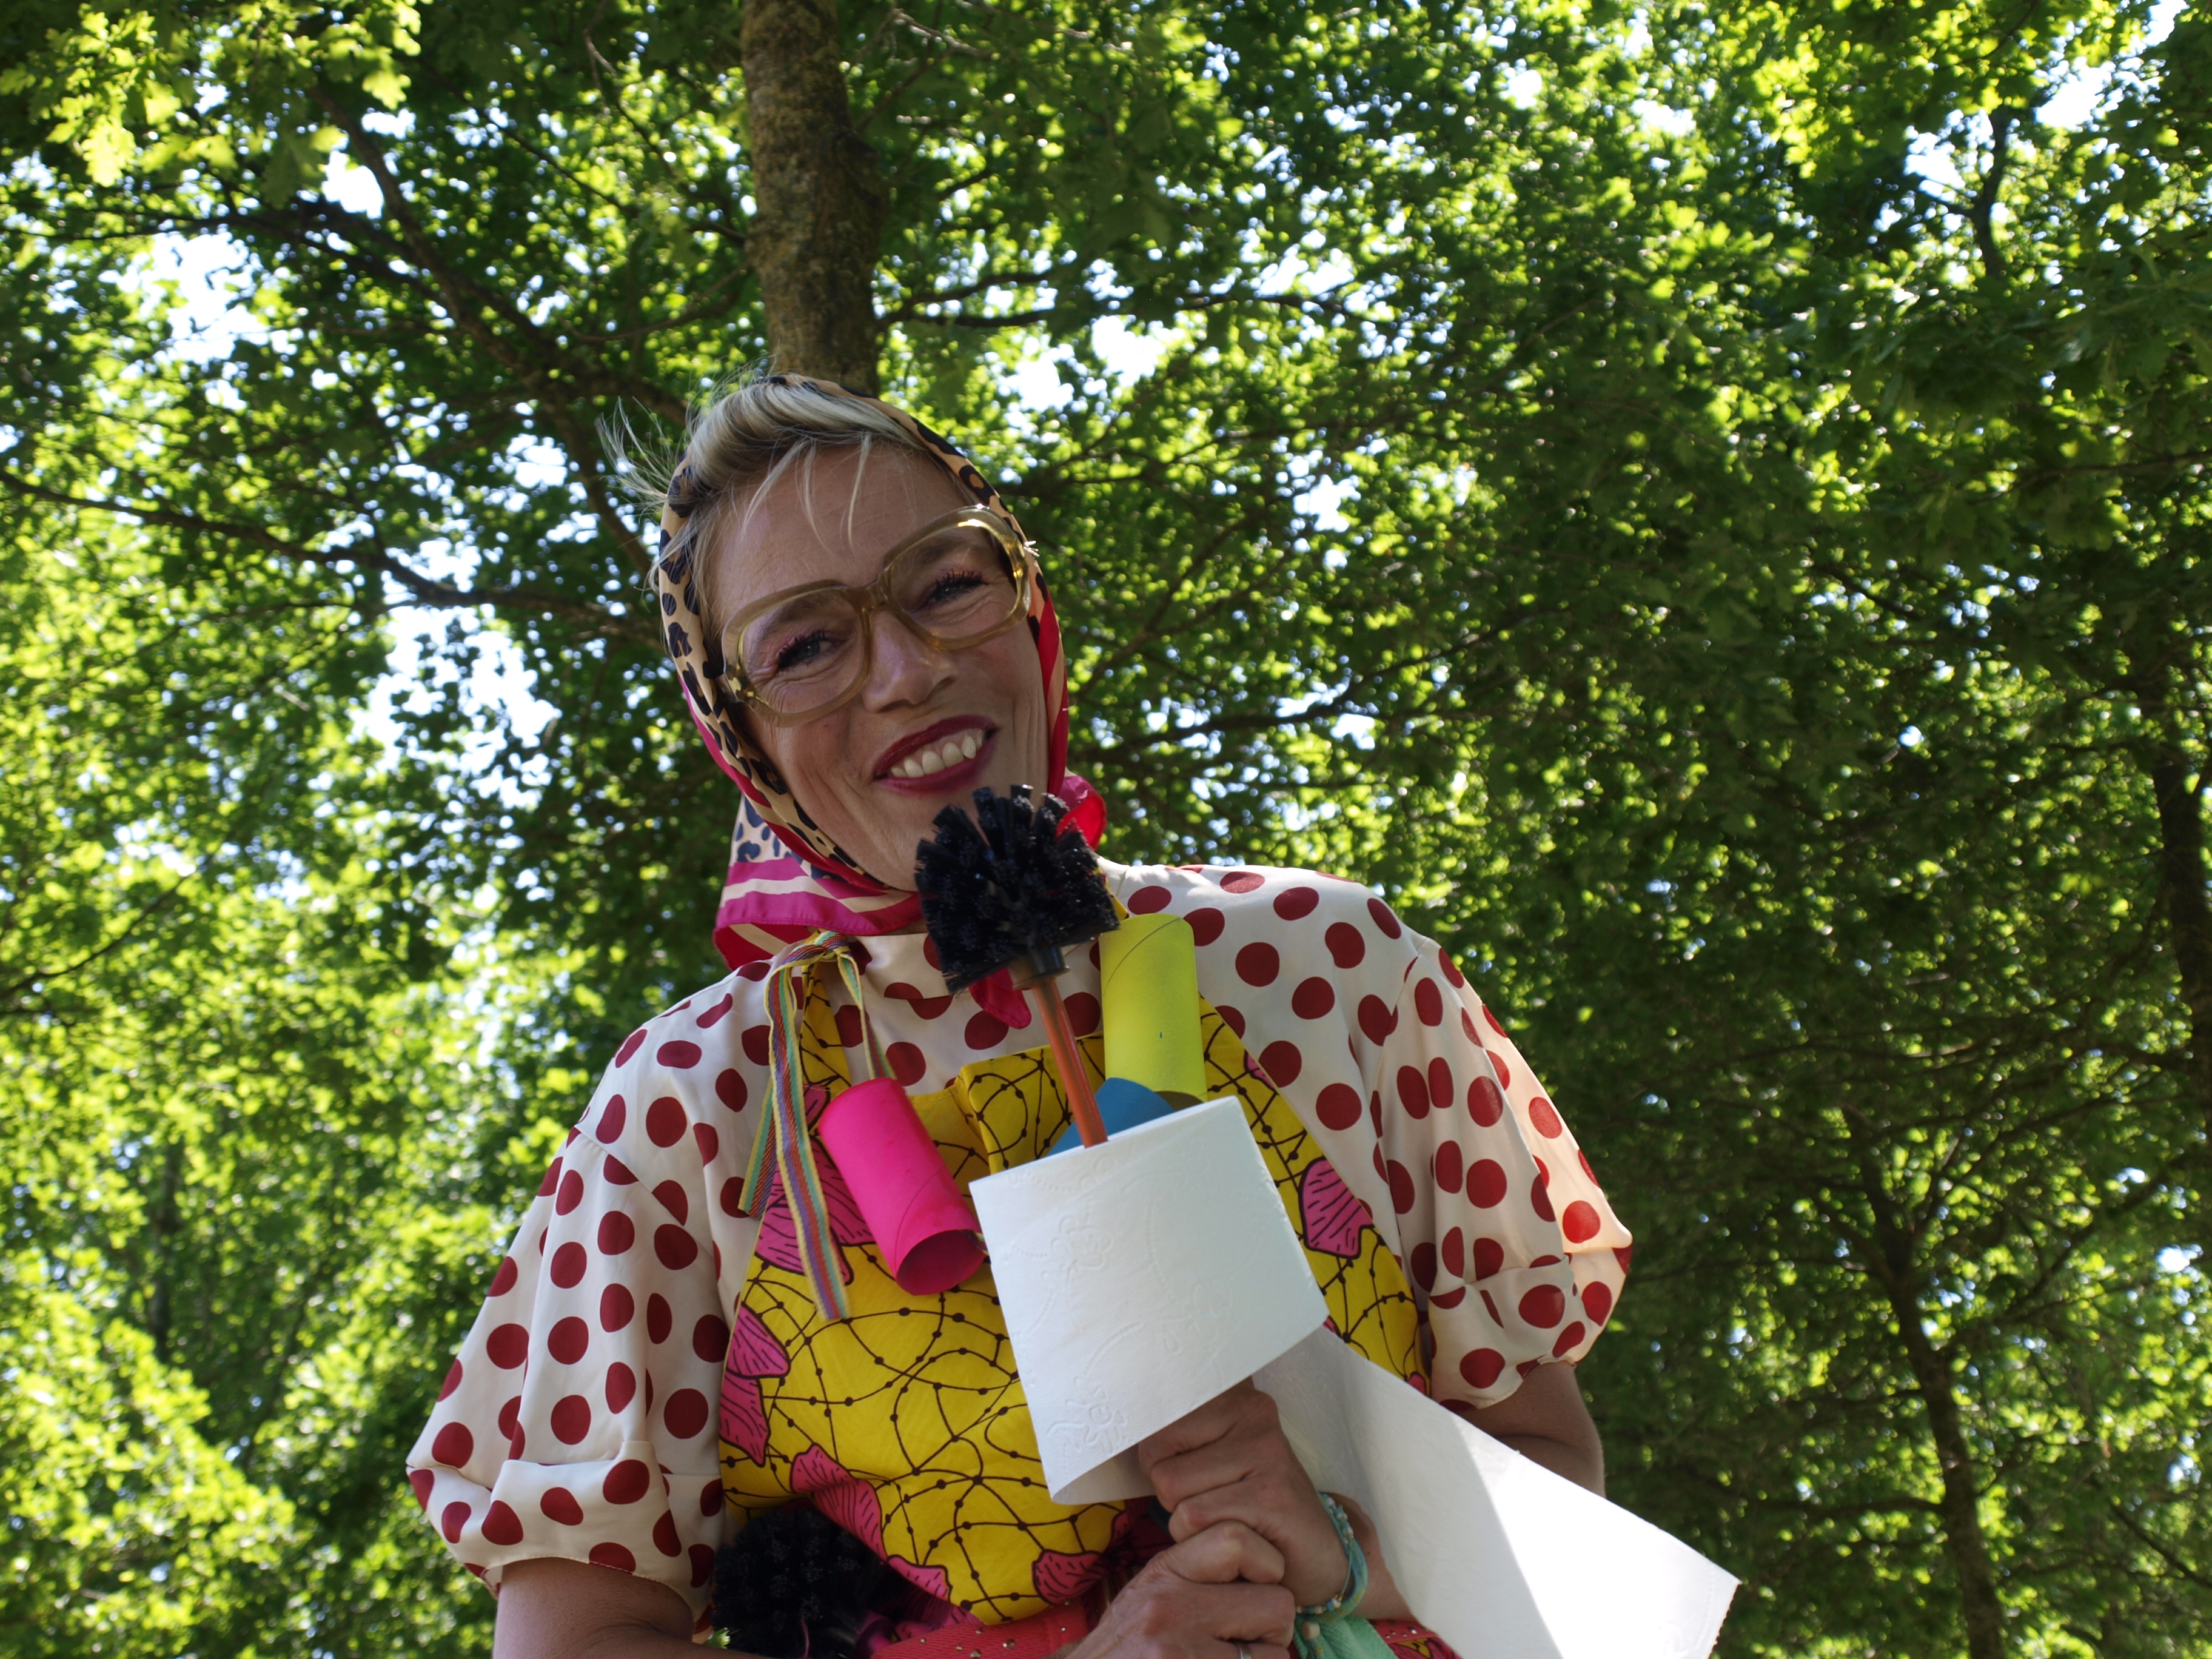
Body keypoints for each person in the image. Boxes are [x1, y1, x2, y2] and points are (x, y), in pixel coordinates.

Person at [409, 376, 1632, 1658]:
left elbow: (1564, 1516)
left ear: (1028, 597)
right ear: (739, 732)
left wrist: (1340, 1549)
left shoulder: (1326, 966)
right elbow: (574, 1639)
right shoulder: (688, 1107)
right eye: (806, 647)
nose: (908, 670)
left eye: (947, 584)